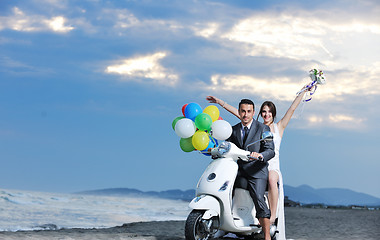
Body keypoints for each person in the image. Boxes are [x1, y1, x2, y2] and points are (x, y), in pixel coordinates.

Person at [207, 83, 314, 240]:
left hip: (271, 165)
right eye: (264, 112)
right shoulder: (254, 126)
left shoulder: (279, 127)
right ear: (259, 114)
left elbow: (292, 109)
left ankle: (272, 218)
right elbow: (239, 113)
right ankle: (228, 218)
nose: (267, 114)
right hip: (252, 162)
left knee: (271, 179)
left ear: (273, 114)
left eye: (269, 112)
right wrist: (220, 102)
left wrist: (304, 91)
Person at [225, 98, 275, 240]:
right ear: (239, 112)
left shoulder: (263, 129)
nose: (245, 114)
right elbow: (226, 146)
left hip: (256, 171)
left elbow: (270, 150)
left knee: (258, 197)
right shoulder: (233, 130)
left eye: (248, 111)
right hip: (238, 171)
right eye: (243, 111)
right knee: (224, 190)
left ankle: (267, 236)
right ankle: (227, 226)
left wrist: (260, 155)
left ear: (253, 113)